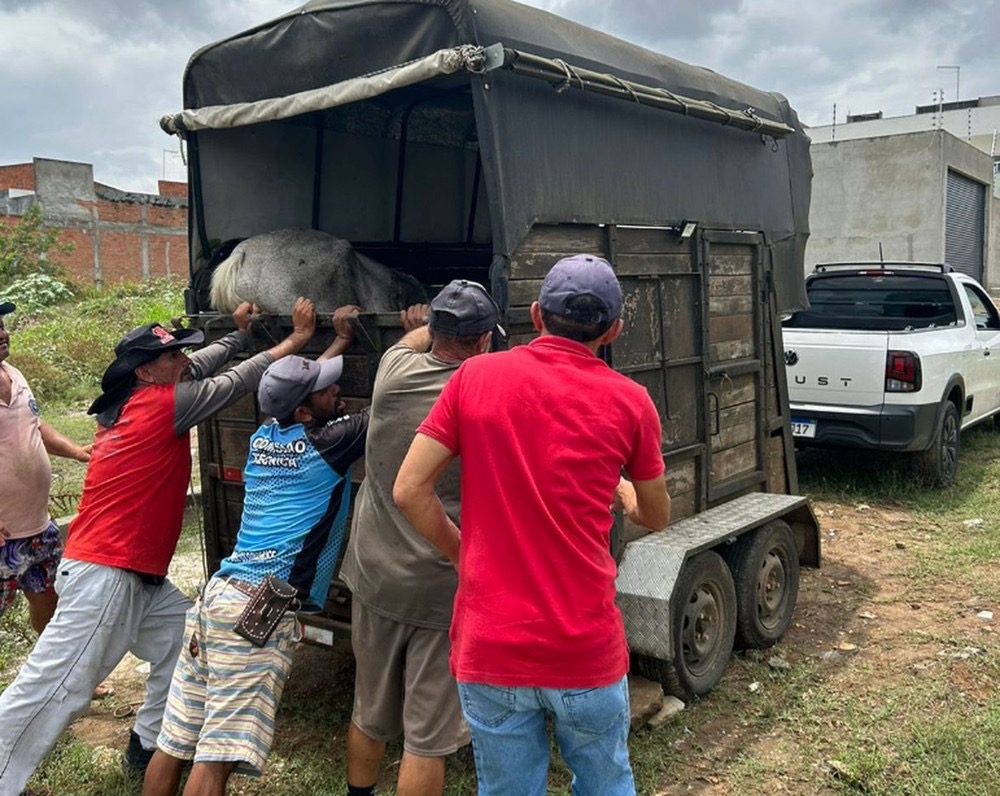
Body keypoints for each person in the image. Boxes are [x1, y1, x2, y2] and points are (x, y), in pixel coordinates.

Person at [0, 297, 318, 796]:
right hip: (107, 571)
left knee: (183, 645)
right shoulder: (162, 404)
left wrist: (237, 335)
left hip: (132, 573)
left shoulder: (141, 394)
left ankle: (147, 746)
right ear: (146, 371)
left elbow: (201, 366)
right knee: (57, 687)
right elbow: (235, 381)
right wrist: (296, 341)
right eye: (172, 356)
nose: (183, 361)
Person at [393, 255, 672, 796]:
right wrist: (623, 492)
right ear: (614, 330)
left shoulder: (474, 377)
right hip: (584, 648)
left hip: (491, 645)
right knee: (605, 784)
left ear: (537, 315)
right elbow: (656, 515)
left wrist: (459, 552)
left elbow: (408, 489)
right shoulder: (631, 402)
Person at [142, 305, 369, 796]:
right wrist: (418, 337)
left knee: (175, 739)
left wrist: (339, 343)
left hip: (217, 597)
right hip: (256, 610)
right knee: (216, 755)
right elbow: (392, 396)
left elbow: (292, 389)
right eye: (327, 389)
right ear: (304, 412)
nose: (337, 390)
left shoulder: (267, 430)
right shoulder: (329, 444)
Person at [340, 281, 500, 796]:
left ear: (435, 329)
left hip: (375, 574)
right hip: (438, 586)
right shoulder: (483, 397)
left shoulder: (393, 371)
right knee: (427, 735)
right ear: (484, 340)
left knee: (369, 710)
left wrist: (422, 326)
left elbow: (411, 343)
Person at [0, 299, 91, 634]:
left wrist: (75, 451)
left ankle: (50, 666)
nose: (2, 333)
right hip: (4, 536)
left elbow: (34, 425)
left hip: (39, 528)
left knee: (50, 604)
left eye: (1, 326)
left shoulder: (14, 374)